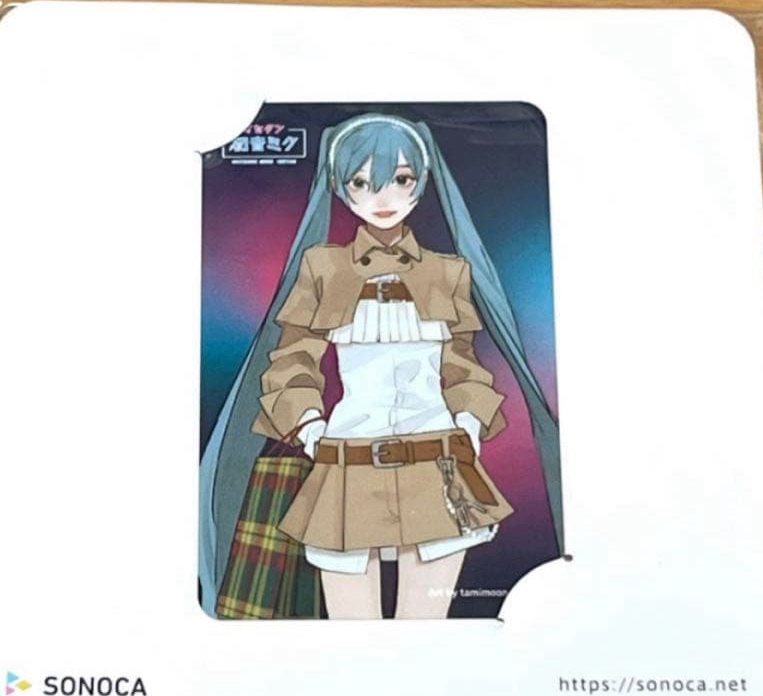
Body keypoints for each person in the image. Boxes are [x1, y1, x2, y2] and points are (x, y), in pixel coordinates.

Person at [199, 112, 563, 619]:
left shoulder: (447, 271)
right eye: (362, 183)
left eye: (401, 179)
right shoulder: (323, 267)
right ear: (340, 187)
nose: (383, 197)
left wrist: (469, 423)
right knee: (353, 634)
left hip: (441, 464)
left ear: (422, 181)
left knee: (426, 630)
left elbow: (463, 365)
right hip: (345, 462)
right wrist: (309, 428)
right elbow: (292, 357)